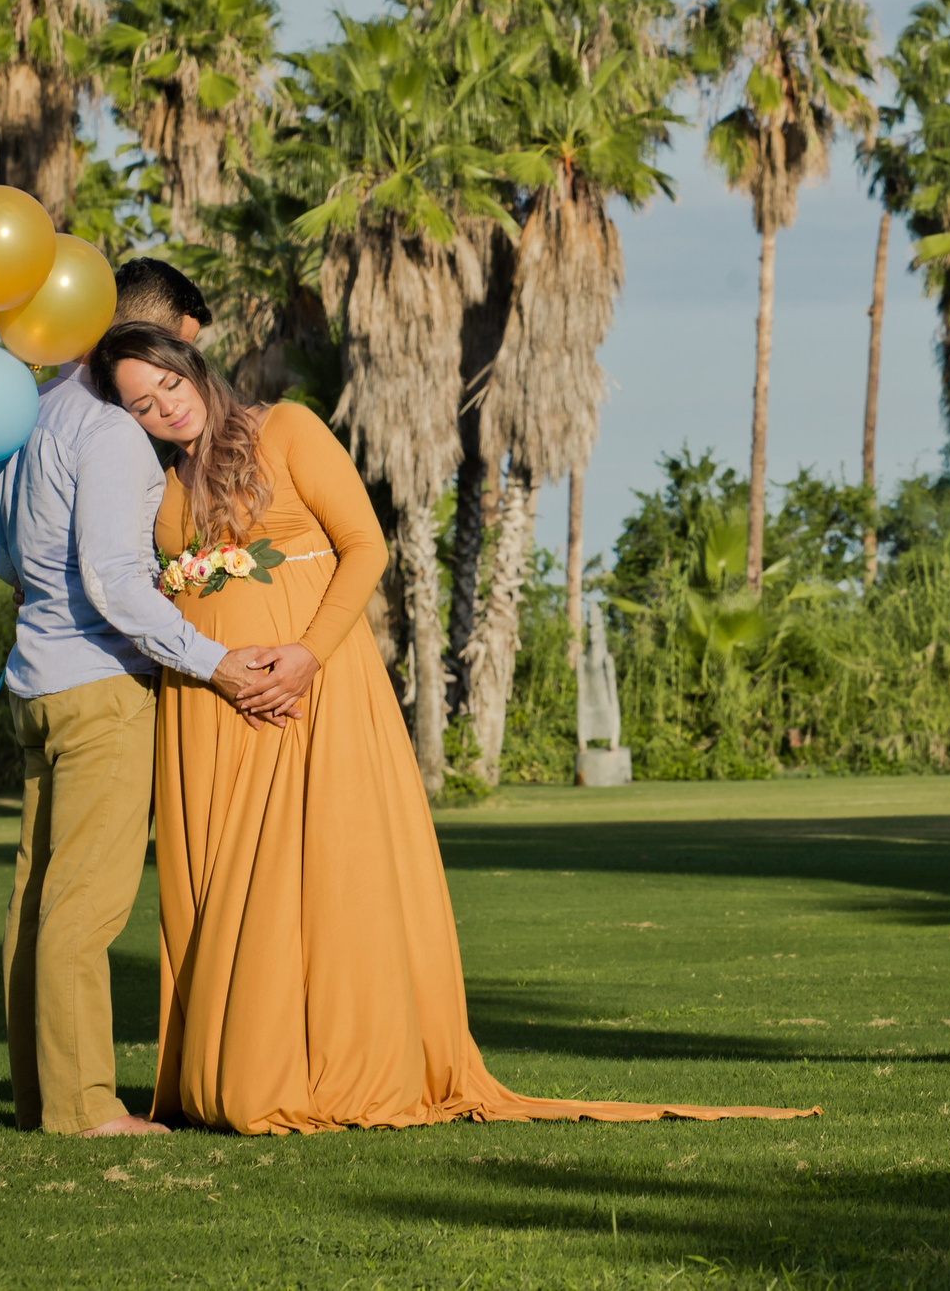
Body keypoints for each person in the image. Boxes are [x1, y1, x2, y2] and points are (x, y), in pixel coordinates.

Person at [86, 319, 815, 1133]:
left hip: (311, 691)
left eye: (169, 387)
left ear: (194, 368)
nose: (165, 410)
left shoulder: (285, 428)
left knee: (319, 871)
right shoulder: (163, 488)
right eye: (142, 406)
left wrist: (305, 656)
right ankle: (226, 1063)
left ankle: (310, 1065)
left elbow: (365, 547)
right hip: (211, 712)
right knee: (224, 882)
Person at [0, 260, 292, 1138]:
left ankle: (38, 1095)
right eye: (175, 354)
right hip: (99, 688)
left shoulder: (32, 412)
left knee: (37, 901)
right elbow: (118, 585)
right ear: (146, 328)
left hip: (35, 682)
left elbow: (10, 566)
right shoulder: (115, 433)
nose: (177, 383)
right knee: (84, 907)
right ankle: (84, 1109)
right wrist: (217, 662)